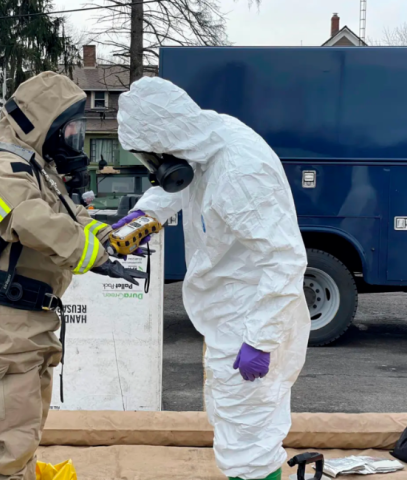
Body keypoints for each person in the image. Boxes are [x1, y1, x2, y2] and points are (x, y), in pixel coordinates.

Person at [117, 77, 310, 480]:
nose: (157, 171)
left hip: (254, 316)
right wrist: (143, 218)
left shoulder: (240, 173)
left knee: (250, 437)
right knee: (233, 423)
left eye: (154, 161)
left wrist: (260, 339)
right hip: (229, 311)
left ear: (168, 143)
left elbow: (285, 259)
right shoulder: (203, 139)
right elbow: (178, 184)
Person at [0, 71, 145, 480]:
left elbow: (72, 218)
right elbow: (25, 219)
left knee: (21, 437)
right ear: (40, 122)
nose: (73, 141)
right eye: (69, 130)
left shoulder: (35, 171)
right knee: (3, 447)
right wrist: (88, 252)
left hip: (30, 323)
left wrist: (110, 240)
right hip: (2, 324)